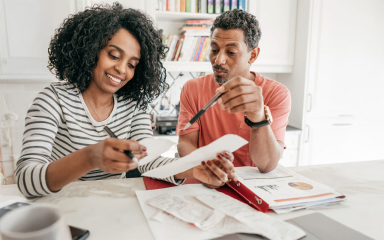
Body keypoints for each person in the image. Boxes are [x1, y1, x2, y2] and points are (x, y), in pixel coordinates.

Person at [15, 3, 234, 198]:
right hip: (62, 207)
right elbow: (26, 178)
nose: (121, 70)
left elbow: (150, 162)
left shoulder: (133, 105)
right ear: (90, 50)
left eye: (132, 64)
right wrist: (90, 157)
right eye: (113, 55)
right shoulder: (52, 100)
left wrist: (197, 168)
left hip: (114, 204)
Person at [176, 9, 291, 187]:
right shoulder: (192, 88)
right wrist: (208, 166)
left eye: (231, 52)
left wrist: (258, 116)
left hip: (249, 189)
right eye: (214, 49)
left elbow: (267, 164)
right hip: (203, 186)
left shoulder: (276, 94)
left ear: (252, 55)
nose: (218, 60)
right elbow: (185, 144)